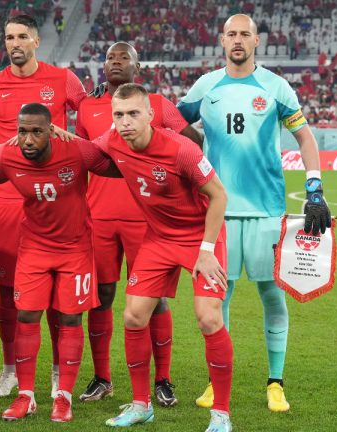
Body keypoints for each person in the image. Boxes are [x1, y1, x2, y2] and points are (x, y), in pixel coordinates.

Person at [177, 14, 331, 413]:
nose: (238, 40)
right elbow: (172, 124)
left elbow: (305, 136)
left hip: (266, 212)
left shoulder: (275, 87)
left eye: (245, 33)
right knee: (217, 299)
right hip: (219, 213)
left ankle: (275, 382)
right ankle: (216, 380)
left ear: (257, 41)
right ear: (222, 41)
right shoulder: (205, 86)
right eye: (231, 34)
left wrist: (314, 189)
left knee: (271, 295)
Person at [0, 14, 86, 398]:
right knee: (8, 287)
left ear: (36, 41)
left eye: (21, 37)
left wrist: (73, 140)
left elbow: (94, 120)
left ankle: (54, 370)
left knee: (56, 291)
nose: (14, 43)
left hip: (56, 201)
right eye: (8, 37)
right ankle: (11, 369)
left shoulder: (63, 79)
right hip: (9, 198)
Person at [101, 83, 233, 432]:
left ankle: (221, 415)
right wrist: (58, 136)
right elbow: (82, 152)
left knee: (208, 318)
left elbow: (219, 197)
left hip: (201, 236)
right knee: (133, 316)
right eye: (118, 115)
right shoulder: (113, 140)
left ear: (150, 114)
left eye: (132, 113)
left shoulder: (181, 149)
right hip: (159, 238)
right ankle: (141, 405)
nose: (125, 122)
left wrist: (205, 252)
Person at [75, 42, 201, 405]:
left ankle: (162, 379)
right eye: (110, 58)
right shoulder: (88, 105)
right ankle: (102, 378)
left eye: (123, 58)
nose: (116, 63)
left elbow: (192, 142)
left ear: (137, 65)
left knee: (154, 300)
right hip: (98, 217)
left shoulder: (156, 105)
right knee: (101, 299)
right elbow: (84, 156)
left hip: (147, 222)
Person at [0, 103, 120, 422]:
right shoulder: (9, 155)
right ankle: (26, 396)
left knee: (71, 319)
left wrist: (79, 138)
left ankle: (63, 397)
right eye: (22, 132)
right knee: (27, 315)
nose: (28, 139)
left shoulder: (75, 150)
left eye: (36, 131)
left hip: (75, 249)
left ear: (51, 130)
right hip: (33, 247)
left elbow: (115, 163)